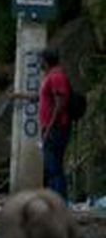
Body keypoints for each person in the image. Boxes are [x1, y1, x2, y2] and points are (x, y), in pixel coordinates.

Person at [38, 48, 72, 200]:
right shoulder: (51, 76)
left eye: (41, 60)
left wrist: (49, 128)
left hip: (55, 128)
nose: (39, 63)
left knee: (53, 168)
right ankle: (56, 203)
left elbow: (60, 103)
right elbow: (47, 98)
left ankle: (58, 203)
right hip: (53, 128)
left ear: (45, 61)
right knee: (52, 167)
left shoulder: (56, 76)